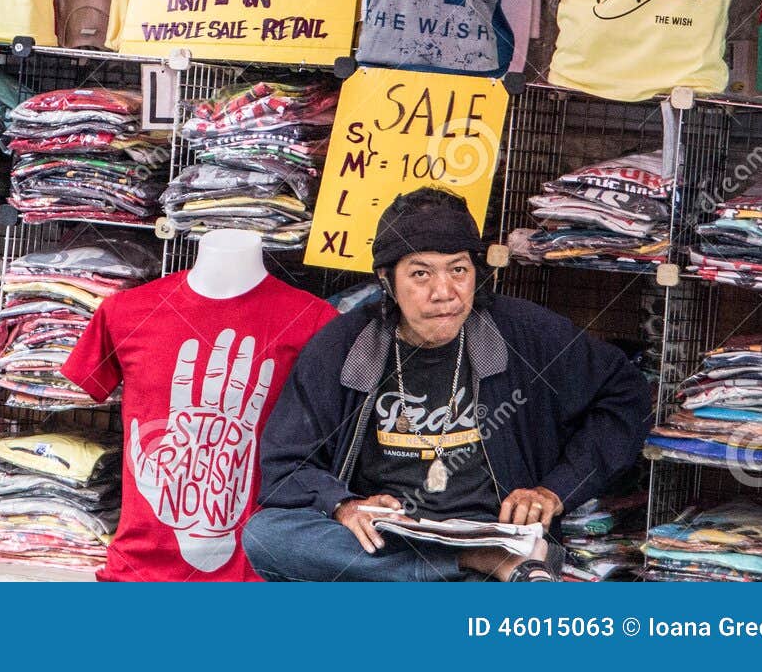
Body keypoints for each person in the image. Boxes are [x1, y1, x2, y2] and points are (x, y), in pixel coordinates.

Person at [244, 188, 650, 582]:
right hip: (392, 540)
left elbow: (625, 396)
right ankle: (467, 563)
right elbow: (285, 464)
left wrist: (554, 490)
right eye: (420, 274)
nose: (445, 293)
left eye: (459, 270)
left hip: (497, 533)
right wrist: (344, 505)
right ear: (386, 279)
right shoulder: (344, 346)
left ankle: (459, 565)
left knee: (514, 560)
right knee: (265, 535)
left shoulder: (525, 333)